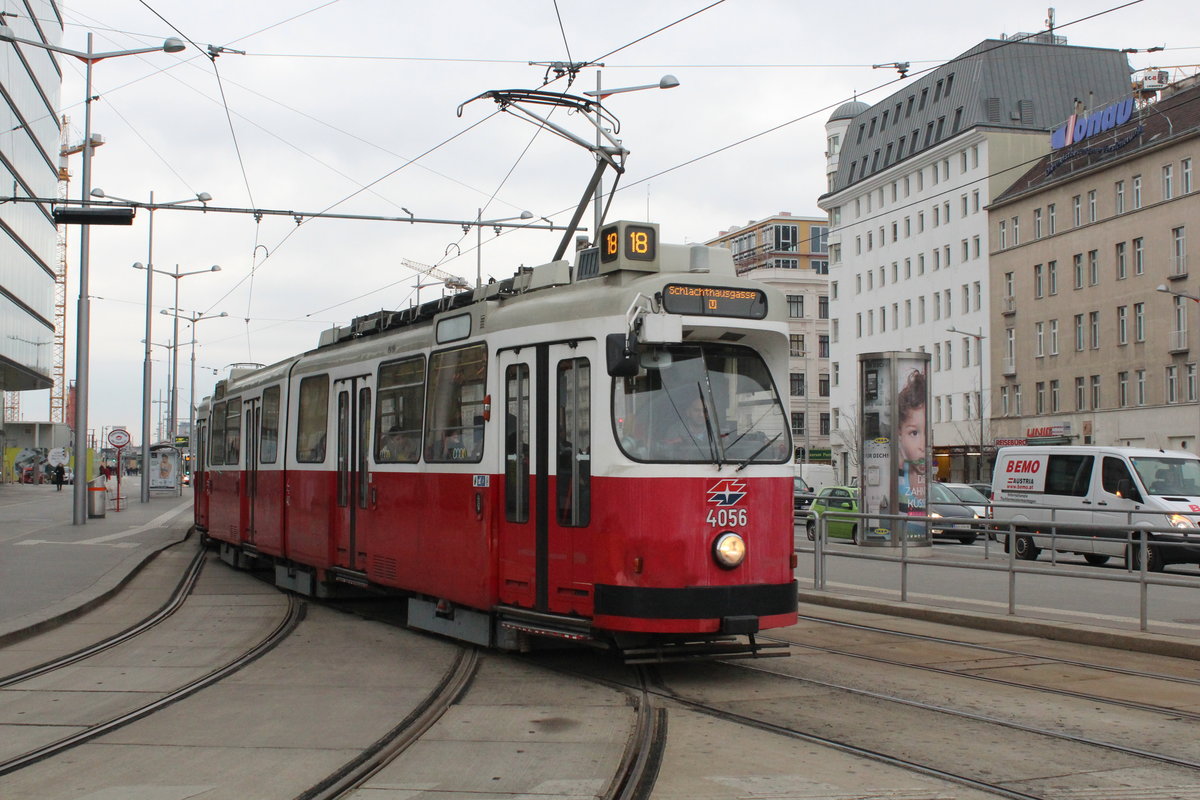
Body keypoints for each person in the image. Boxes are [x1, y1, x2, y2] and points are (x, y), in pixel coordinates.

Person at [896, 369, 928, 523]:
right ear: (900, 434)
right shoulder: (896, 479)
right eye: (914, 433)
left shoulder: (928, 483)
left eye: (926, 432)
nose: (922, 445)